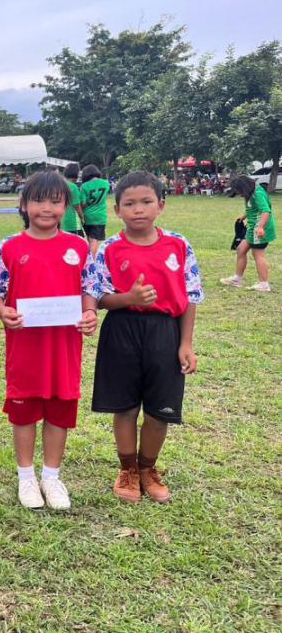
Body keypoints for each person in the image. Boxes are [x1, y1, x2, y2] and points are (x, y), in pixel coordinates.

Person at [0, 171, 100, 510]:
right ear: (23, 204)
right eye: (38, 200)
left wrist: (90, 312)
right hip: (25, 348)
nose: (46, 208)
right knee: (24, 412)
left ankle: (51, 476)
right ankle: (26, 477)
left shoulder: (78, 247)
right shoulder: (10, 246)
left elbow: (90, 287)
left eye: (54, 201)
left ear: (66, 206)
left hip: (64, 347)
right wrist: (2, 311)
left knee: (60, 410)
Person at [92, 171, 203, 503]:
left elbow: (191, 296)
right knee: (125, 407)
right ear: (117, 210)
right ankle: (127, 469)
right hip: (122, 329)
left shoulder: (178, 245)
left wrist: (185, 343)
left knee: (159, 410)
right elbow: (98, 297)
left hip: (165, 332)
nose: (138, 209)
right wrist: (129, 298)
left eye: (146, 202)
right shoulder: (110, 248)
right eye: (129, 204)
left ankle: (147, 468)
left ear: (161, 205)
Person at [220, 175, 275, 293]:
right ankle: (237, 279)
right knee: (241, 249)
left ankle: (264, 284)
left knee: (258, 254)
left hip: (258, 229)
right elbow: (253, 207)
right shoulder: (251, 192)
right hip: (252, 228)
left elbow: (266, 211)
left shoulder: (257, 194)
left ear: (244, 188)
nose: (240, 195)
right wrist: (244, 216)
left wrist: (261, 227)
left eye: (240, 192)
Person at [80, 164, 111, 255]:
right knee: (94, 240)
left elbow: (83, 203)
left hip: (87, 216)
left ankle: (89, 257)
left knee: (89, 239)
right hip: (100, 216)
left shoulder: (84, 186)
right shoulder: (106, 183)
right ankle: (91, 259)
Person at [61, 163, 85, 237]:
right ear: (76, 174)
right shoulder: (73, 187)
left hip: (61, 221)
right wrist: (82, 217)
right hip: (72, 222)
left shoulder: (59, 185)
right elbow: (77, 206)